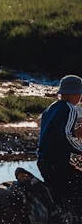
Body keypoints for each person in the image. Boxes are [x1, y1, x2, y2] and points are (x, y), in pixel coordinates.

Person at [36, 74, 82, 211]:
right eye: (80, 94)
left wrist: (75, 133)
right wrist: (80, 150)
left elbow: (54, 134)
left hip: (43, 162)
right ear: (74, 94)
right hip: (58, 163)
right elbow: (65, 136)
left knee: (58, 194)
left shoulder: (51, 108)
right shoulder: (70, 108)